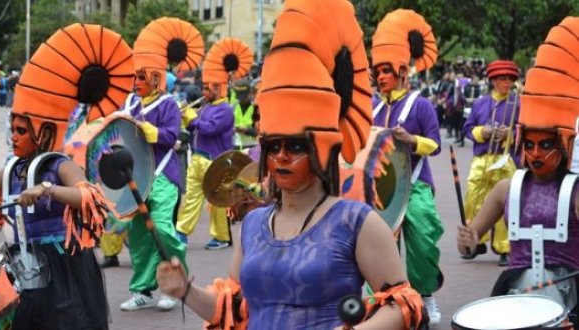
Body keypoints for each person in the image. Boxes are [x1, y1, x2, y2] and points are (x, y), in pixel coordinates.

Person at [157, 1, 427, 329]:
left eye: (296, 146)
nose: (281, 156)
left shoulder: (358, 222)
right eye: (273, 147)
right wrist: (185, 290)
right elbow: (234, 307)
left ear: (321, 149)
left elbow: (403, 304)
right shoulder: (253, 226)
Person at [0, 23, 134, 329]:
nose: (14, 136)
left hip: (64, 266)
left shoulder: (57, 164)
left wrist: (47, 189)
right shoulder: (13, 167)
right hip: (26, 263)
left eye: (21, 130)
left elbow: (87, 195)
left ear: (44, 132)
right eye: (12, 129)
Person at [457, 17, 579, 324]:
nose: (535, 153)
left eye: (546, 145)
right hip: (516, 293)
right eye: (530, 144)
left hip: (569, 294)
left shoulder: (576, 192)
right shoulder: (506, 189)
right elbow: (474, 236)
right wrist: (468, 238)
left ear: (564, 145)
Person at [112, 17, 203, 312]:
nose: (136, 82)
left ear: (155, 77)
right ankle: (142, 290)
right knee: (138, 236)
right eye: (134, 77)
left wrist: (151, 132)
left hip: (164, 176)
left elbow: (171, 136)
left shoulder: (168, 104)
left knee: (162, 229)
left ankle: (175, 285)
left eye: (141, 77)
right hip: (137, 178)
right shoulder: (129, 104)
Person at [370, 9, 444, 324]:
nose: (380, 77)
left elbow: (435, 144)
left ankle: (426, 294)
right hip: (380, 191)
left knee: (425, 238)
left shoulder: (420, 104)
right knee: (375, 248)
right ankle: (389, 300)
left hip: (416, 185)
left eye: (386, 71)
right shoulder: (371, 108)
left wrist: (412, 140)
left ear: (402, 71)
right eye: (377, 72)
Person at [176, 38, 250, 250]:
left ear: (219, 87)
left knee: (217, 201)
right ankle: (181, 231)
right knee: (191, 197)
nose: (204, 92)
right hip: (198, 158)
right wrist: (187, 120)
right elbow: (197, 129)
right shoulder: (205, 106)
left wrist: (193, 119)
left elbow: (209, 128)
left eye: (208, 88)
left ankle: (222, 236)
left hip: (215, 161)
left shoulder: (225, 109)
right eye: (204, 87)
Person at [461, 60, 520, 265]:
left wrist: (510, 135)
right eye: (503, 79)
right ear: (493, 80)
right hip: (482, 159)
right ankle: (476, 242)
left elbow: (524, 130)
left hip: (506, 159)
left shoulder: (517, 104)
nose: (507, 82)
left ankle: (504, 247)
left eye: (510, 79)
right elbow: (467, 129)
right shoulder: (480, 103)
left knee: (507, 202)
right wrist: (482, 132)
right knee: (472, 199)